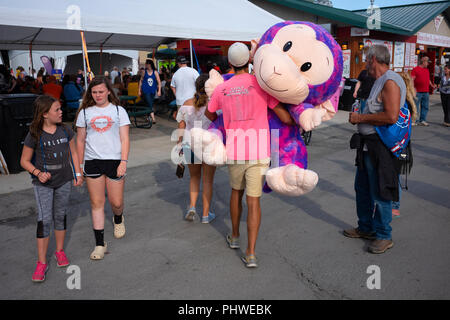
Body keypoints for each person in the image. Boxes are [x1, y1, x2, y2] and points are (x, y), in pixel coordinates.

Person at [205, 42, 295, 268]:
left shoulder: (222, 88)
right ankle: (251, 253)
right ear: (249, 60)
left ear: (230, 63)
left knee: (236, 192)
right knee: (253, 201)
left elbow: (208, 113)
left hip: (235, 149)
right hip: (259, 151)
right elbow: (283, 116)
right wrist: (296, 119)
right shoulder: (261, 85)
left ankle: (234, 237)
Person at [345, 45, 406, 254]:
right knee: (362, 187)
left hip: (379, 146)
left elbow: (391, 117)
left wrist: (360, 118)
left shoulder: (389, 81)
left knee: (380, 191)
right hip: (367, 144)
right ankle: (366, 228)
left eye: (366, 60)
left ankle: (383, 235)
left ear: (373, 59)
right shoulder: (380, 81)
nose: (365, 64)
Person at [20, 95, 83, 282]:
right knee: (44, 220)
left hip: (64, 180)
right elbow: (23, 160)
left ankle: (59, 251)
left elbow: (73, 153)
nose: (61, 112)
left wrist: (77, 174)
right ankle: (41, 263)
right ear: (45, 114)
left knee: (60, 216)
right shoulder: (34, 134)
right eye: (57, 109)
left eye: (60, 109)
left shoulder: (65, 130)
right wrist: (38, 173)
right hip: (43, 185)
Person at [75, 76, 131, 261]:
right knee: (97, 204)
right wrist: (80, 167)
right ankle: (100, 244)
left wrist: (123, 161)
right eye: (94, 92)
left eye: (101, 91)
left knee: (116, 202)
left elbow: (124, 138)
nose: (98, 95)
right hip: (93, 161)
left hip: (114, 160)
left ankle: (118, 218)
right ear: (90, 93)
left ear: (108, 91)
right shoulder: (84, 112)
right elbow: (80, 140)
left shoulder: (118, 111)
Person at [176, 74, 216, 223]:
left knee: (194, 177)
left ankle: (192, 207)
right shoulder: (214, 104)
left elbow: (181, 127)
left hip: (189, 144)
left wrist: (180, 145)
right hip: (208, 145)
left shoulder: (186, 104)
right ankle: (206, 215)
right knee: (207, 180)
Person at [170, 56, 199, 120]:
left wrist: (176, 95)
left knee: (182, 122)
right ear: (186, 63)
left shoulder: (175, 74)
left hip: (180, 102)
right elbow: (199, 83)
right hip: (192, 101)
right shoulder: (193, 71)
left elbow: (172, 86)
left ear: (178, 63)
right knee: (195, 122)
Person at [411, 56, 437, 126]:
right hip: (418, 91)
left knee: (425, 106)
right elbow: (412, 79)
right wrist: (413, 89)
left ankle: (422, 120)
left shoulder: (427, 70)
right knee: (415, 106)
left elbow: (428, 79)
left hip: (426, 91)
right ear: (424, 61)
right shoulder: (415, 69)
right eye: (427, 62)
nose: (428, 64)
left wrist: (432, 85)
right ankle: (414, 120)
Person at [138, 59, 161, 124]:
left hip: (153, 90)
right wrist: (139, 90)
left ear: (149, 64)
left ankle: (148, 116)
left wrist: (159, 91)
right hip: (145, 90)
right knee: (150, 103)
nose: (145, 65)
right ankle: (153, 118)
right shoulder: (144, 72)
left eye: (146, 64)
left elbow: (159, 81)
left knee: (149, 103)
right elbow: (141, 81)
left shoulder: (155, 72)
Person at [440, 63, 450, 127]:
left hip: (449, 94)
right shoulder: (443, 76)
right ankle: (445, 120)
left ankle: (448, 121)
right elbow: (441, 84)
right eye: (444, 69)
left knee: (449, 107)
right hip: (443, 93)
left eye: (446, 69)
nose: (445, 70)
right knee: (444, 107)